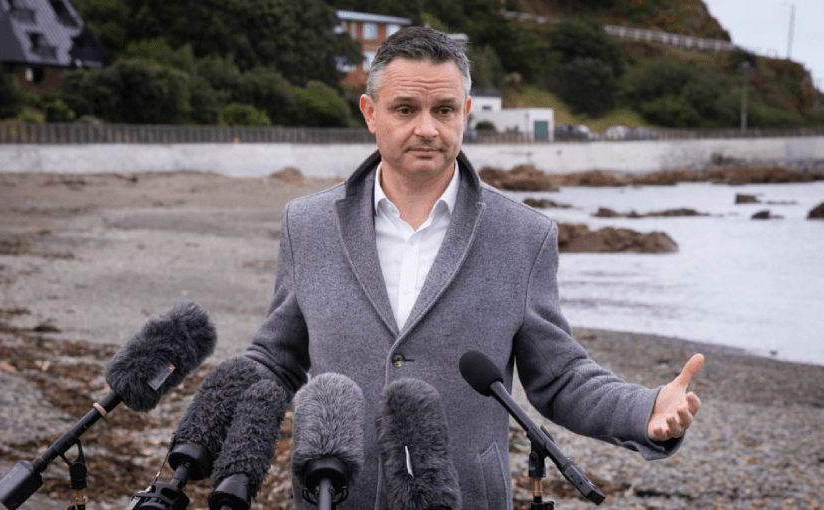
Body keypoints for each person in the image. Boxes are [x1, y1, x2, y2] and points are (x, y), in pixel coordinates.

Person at [244, 26, 703, 508]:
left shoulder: (525, 235)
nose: (427, 128)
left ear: (464, 113)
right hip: (335, 497)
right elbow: (276, 360)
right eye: (405, 109)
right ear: (370, 113)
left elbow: (560, 377)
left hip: (466, 497)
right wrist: (209, 423)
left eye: (443, 110)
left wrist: (644, 409)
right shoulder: (307, 224)